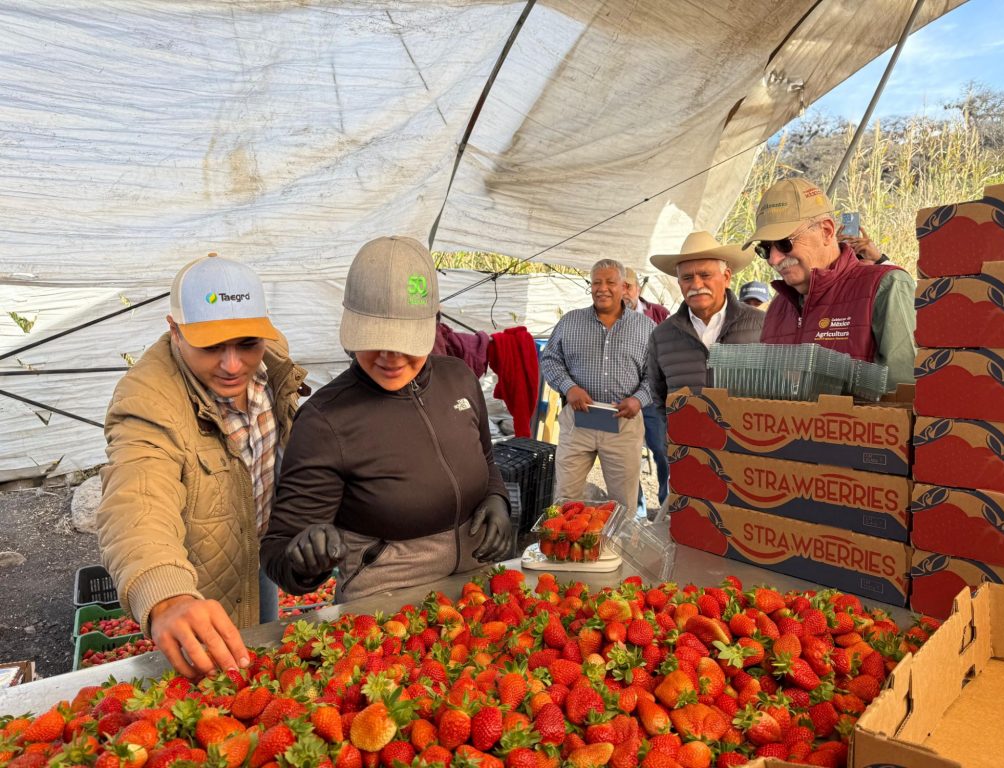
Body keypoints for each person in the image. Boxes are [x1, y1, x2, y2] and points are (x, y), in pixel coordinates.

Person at [262, 236, 511, 603]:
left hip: (474, 590)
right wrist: (304, 560)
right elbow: (278, 548)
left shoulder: (458, 378)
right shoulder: (325, 421)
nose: (390, 357)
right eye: (374, 339)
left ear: (434, 324)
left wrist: (496, 498)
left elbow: (485, 459)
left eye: (406, 340)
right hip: (384, 607)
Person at [97, 253, 308, 678]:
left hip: (259, 550)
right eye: (211, 346)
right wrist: (167, 594)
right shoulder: (149, 401)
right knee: (214, 684)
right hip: (199, 581)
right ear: (175, 330)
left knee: (261, 656)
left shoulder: (273, 358)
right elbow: (138, 498)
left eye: (247, 343)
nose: (232, 365)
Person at [743, 177, 915, 388]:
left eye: (784, 243)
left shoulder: (886, 285)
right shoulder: (778, 305)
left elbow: (904, 394)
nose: (773, 259)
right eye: (765, 249)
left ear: (826, 231)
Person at [540, 259, 654, 517]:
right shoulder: (570, 321)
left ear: (624, 287)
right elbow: (550, 360)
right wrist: (569, 387)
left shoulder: (645, 328)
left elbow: (656, 375)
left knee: (623, 503)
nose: (602, 288)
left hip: (623, 423)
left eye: (610, 282)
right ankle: (567, 540)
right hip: (578, 421)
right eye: (596, 283)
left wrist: (638, 399)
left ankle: (619, 543)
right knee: (566, 497)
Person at [648, 231, 764, 418]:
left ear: (726, 277)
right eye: (687, 278)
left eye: (705, 275)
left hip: (748, 436)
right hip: (689, 436)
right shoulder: (662, 336)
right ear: (679, 283)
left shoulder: (761, 324)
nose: (696, 285)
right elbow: (660, 400)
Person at [623, 267, 670, 517]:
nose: (623, 293)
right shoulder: (609, 317)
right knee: (628, 455)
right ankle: (637, 513)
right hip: (623, 399)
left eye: (628, 286)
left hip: (652, 397)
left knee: (662, 450)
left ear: (638, 289)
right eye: (618, 287)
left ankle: (667, 506)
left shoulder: (659, 313)